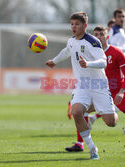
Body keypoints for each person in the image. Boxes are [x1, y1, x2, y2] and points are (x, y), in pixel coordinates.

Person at [66, 26, 125, 153]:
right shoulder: (88, 52)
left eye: (101, 34)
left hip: (118, 91)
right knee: (80, 111)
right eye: (96, 35)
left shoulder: (116, 52)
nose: (99, 37)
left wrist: (122, 91)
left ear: (107, 37)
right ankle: (80, 143)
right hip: (99, 91)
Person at [45, 12, 118, 160]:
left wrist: (88, 64)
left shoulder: (93, 42)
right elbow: (66, 51)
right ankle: (92, 148)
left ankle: (105, 107)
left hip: (99, 85)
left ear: (84, 26)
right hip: (82, 85)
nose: (73, 26)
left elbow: (103, 62)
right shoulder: (71, 41)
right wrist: (54, 61)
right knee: (77, 112)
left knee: (111, 122)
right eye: (72, 24)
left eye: (77, 24)